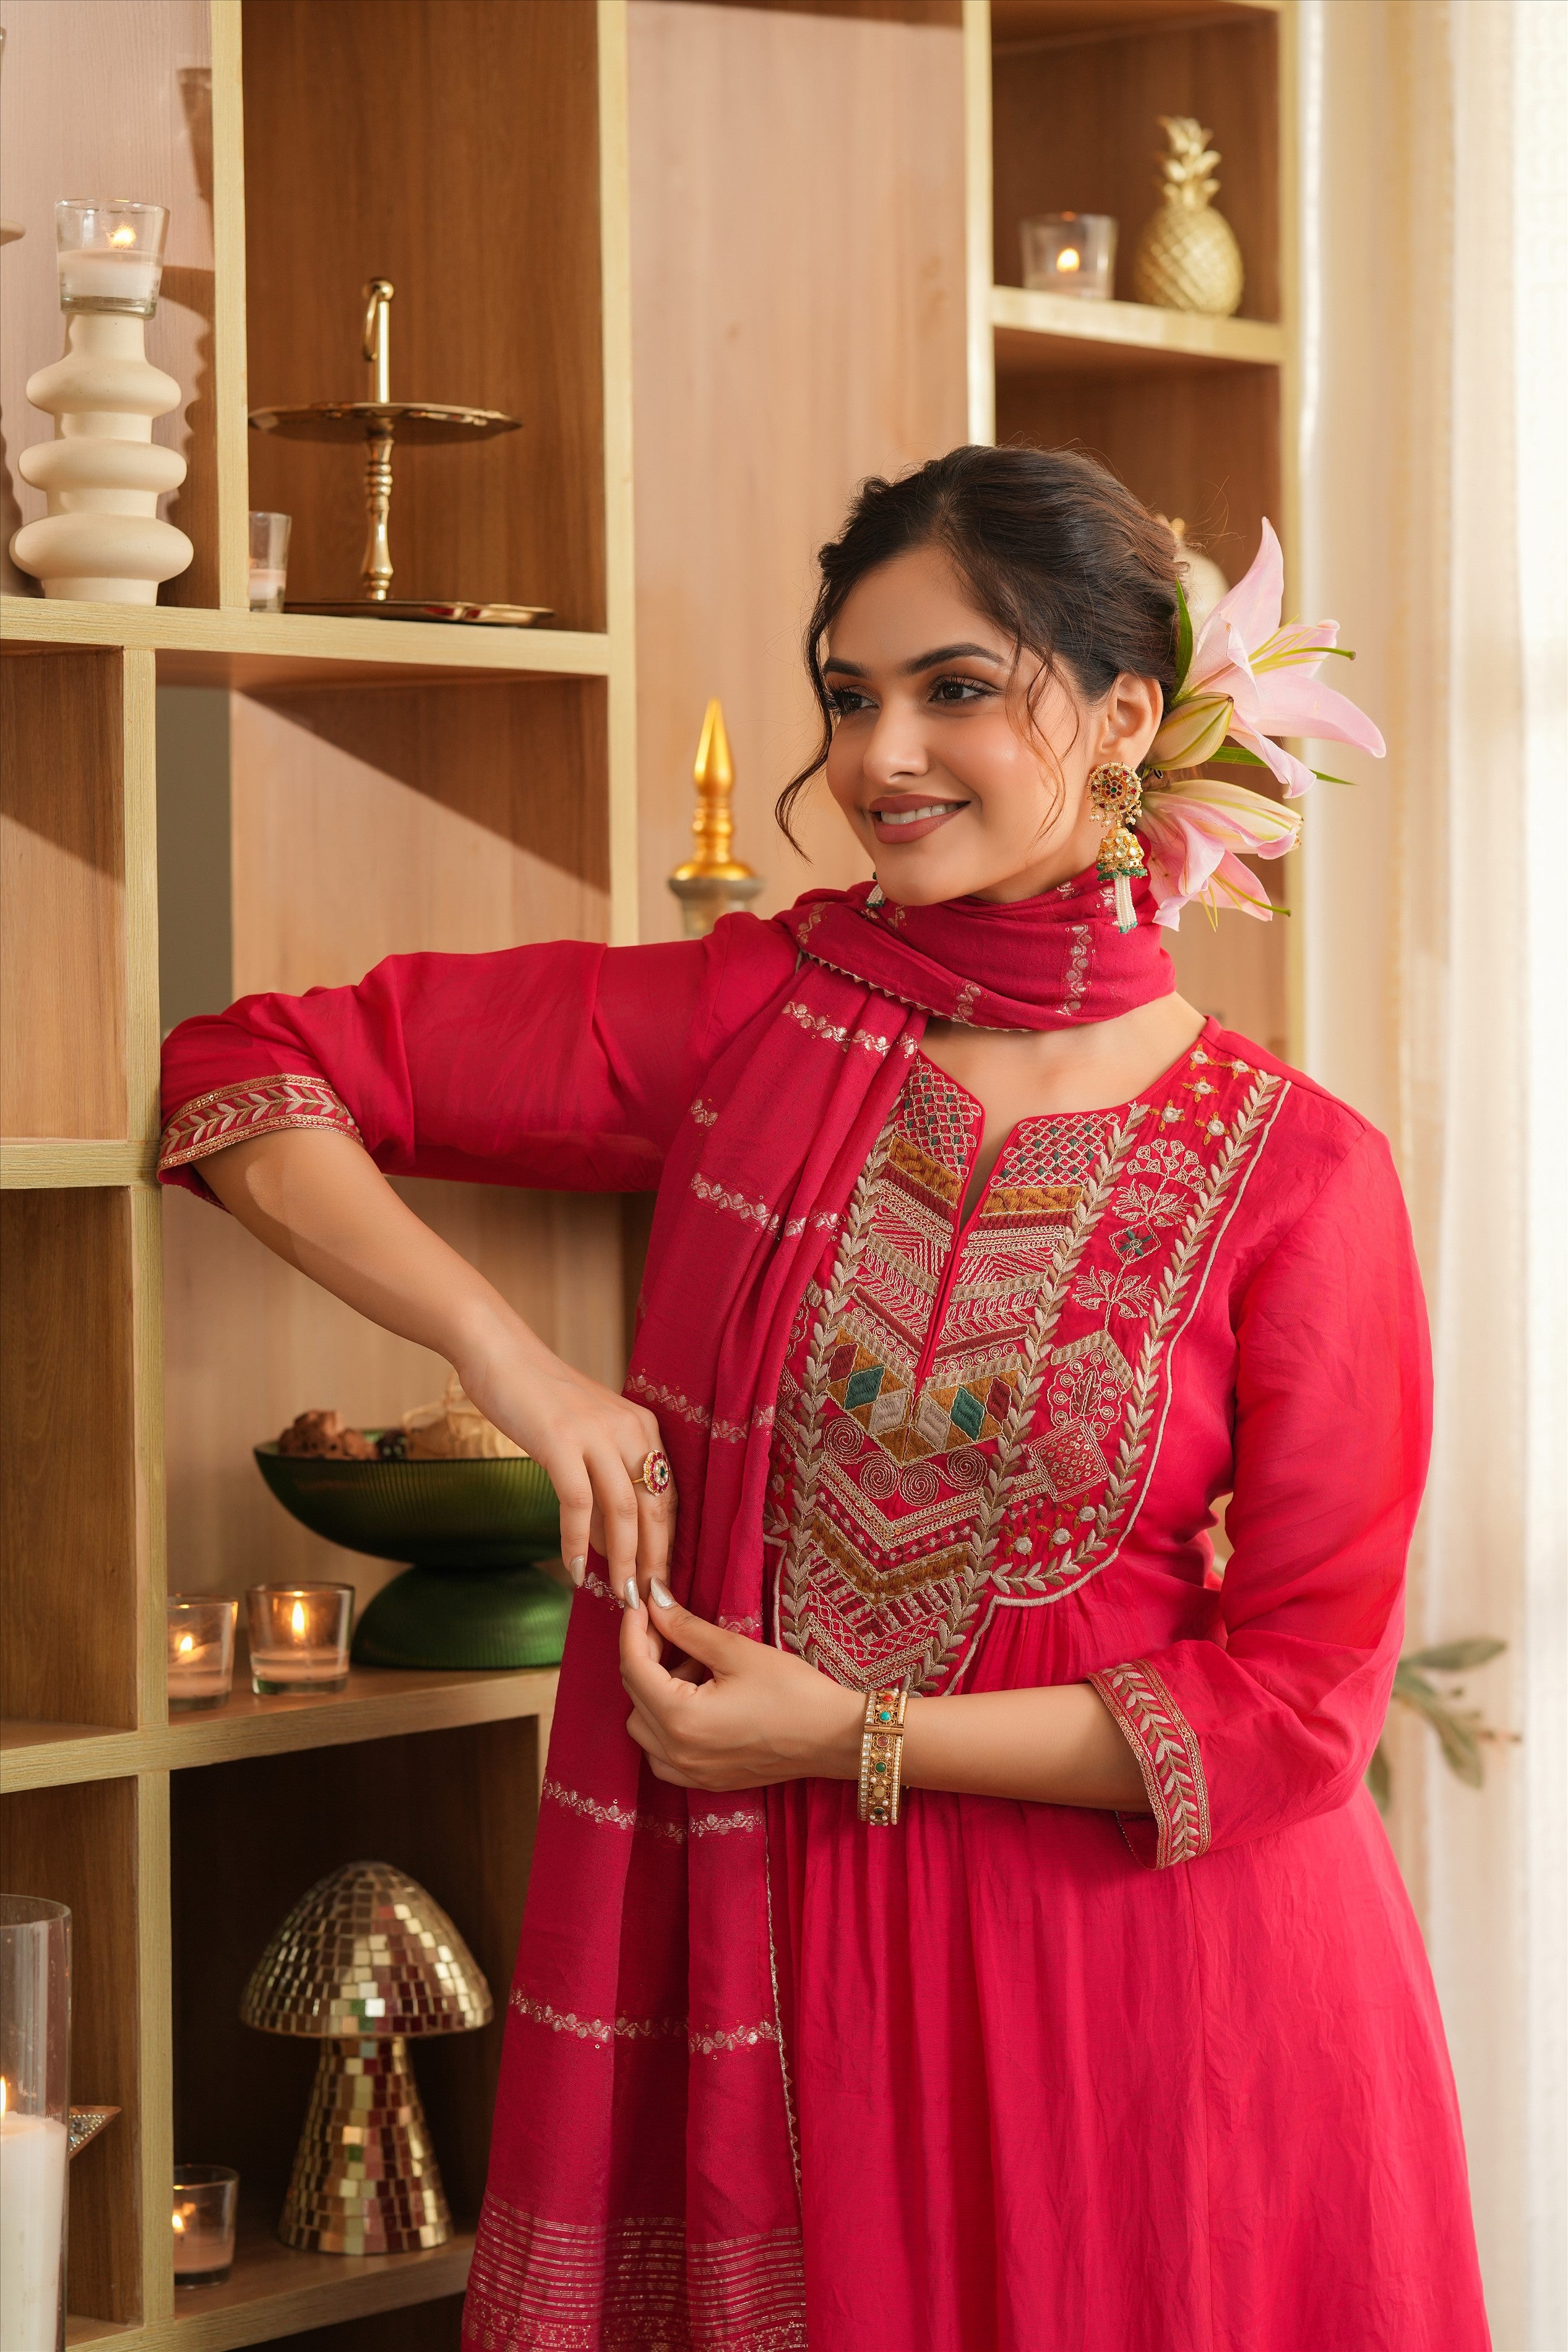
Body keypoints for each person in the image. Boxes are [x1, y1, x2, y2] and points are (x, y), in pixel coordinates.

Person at [159, 447, 1490, 2352]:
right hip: (790, 1971)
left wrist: (850, 1735)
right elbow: (250, 1074)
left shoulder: (1304, 1174)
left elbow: (1293, 1710)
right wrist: (511, 1362)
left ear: (1126, 719)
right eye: (851, 697)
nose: (883, 757)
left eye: (958, 687)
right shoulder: (751, 1021)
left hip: (1164, 2015)